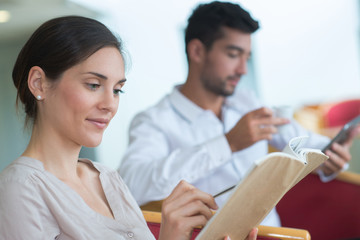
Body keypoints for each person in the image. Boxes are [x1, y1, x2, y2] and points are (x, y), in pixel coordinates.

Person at [0, 16, 258, 240]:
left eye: (117, 90)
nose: (110, 104)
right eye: (93, 85)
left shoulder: (108, 178)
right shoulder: (19, 189)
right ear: (39, 83)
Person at [119, 1, 360, 227]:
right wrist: (228, 143)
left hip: (275, 235)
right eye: (233, 55)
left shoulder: (247, 103)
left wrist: (331, 157)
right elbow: (133, 184)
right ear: (197, 51)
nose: (243, 70)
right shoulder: (154, 121)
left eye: (247, 57)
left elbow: (303, 141)